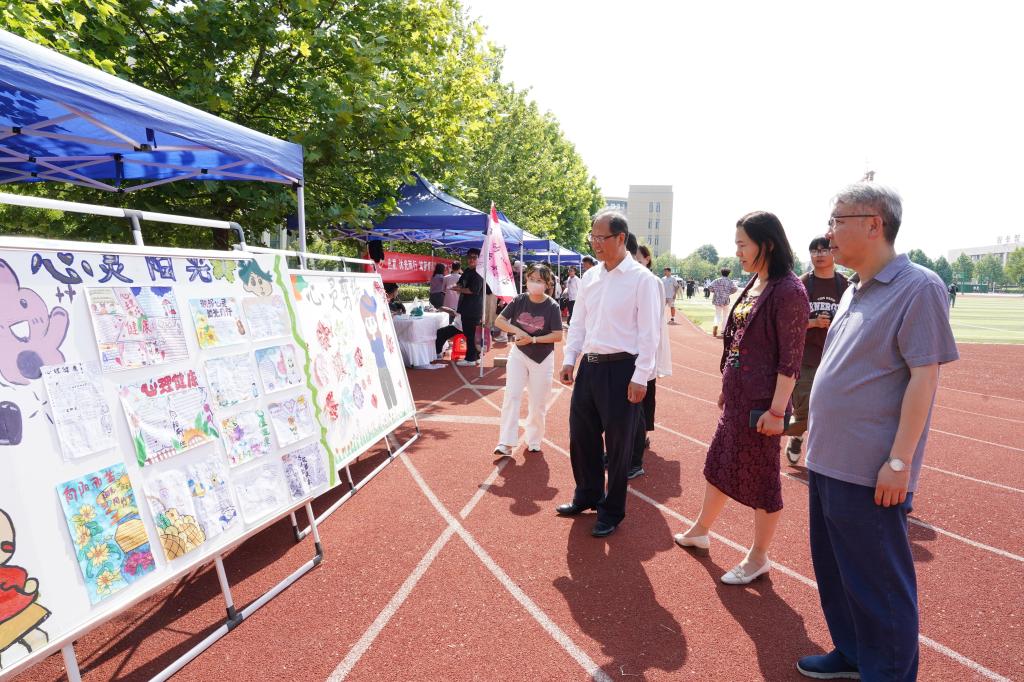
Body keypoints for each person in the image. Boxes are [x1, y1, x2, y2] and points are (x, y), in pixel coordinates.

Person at [796, 183, 958, 681]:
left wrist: (899, 461)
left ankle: (886, 672)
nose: (829, 232)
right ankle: (852, 652)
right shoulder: (853, 288)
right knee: (837, 573)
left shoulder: (919, 287)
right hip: (827, 459)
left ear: (874, 224)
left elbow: (924, 379)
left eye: (837, 220)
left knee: (880, 586)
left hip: (870, 469)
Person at [673, 211, 808, 585]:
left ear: (767, 244)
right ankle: (701, 529)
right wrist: (726, 386)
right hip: (737, 400)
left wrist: (777, 411)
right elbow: (738, 342)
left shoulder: (789, 291)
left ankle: (758, 557)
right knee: (719, 463)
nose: (737, 252)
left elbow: (790, 360)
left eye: (742, 244)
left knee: (763, 481)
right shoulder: (755, 283)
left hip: (763, 407)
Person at [557, 211, 661, 538]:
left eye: (601, 238)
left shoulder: (643, 280)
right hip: (589, 367)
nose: (595, 243)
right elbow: (578, 323)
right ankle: (587, 494)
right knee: (581, 436)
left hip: (622, 369)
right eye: (592, 237)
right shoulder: (590, 277)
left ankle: (612, 510)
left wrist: (641, 376)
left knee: (617, 446)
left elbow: (650, 333)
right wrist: (570, 359)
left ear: (621, 238)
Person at [783, 237, 849, 465]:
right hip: (806, 357)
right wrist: (812, 323)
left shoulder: (846, 286)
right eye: (814, 250)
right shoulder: (800, 284)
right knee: (804, 410)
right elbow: (785, 322)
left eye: (824, 250)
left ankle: (818, 449)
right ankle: (794, 435)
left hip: (836, 357)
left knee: (833, 409)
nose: (819, 254)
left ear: (833, 252)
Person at [492, 265, 563, 457]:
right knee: (511, 395)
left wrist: (533, 339)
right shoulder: (519, 300)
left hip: (542, 359)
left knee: (538, 402)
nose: (534, 283)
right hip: (519, 354)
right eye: (531, 278)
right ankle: (506, 442)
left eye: (539, 280)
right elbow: (499, 321)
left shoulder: (552, 306)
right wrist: (517, 331)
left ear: (547, 284)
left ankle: (534, 439)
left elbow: (557, 335)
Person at [629, 243, 670, 479]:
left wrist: (649, 356)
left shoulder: (651, 281)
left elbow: (655, 321)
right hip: (629, 353)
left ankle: (637, 450)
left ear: (646, 258)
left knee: (642, 403)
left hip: (644, 353)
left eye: (637, 258)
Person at [452, 248, 484, 366]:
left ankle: (470, 359)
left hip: (473, 308)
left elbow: (473, 290)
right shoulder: (467, 271)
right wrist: (458, 286)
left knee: (470, 334)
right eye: (469, 257)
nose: (471, 260)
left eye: (474, 257)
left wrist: (459, 289)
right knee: (469, 334)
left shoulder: (479, 272)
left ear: (479, 259)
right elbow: (461, 282)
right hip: (466, 307)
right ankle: (476, 356)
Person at [708, 268, 738, 338]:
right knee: (725, 316)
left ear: (721, 273)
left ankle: (715, 325)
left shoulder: (717, 280)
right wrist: (729, 293)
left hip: (717, 299)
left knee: (717, 314)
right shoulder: (730, 281)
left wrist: (714, 291)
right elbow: (735, 288)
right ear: (728, 274)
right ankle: (723, 330)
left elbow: (709, 287)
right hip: (726, 300)